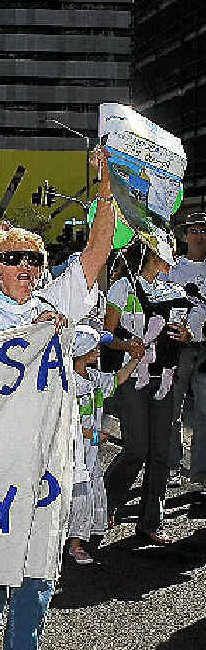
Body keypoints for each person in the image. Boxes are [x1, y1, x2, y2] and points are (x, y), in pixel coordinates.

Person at [0, 148, 116, 650]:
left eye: (34, 259)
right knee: (3, 554)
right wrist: (31, 337)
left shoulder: (58, 302)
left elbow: (97, 251)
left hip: (52, 454)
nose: (26, 266)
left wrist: (108, 190)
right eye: (13, 259)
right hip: (1, 457)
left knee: (41, 563)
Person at [102, 239, 199, 546]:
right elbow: (106, 335)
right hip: (133, 377)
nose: (175, 253)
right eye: (168, 248)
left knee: (161, 453)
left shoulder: (171, 289)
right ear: (153, 255)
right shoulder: (123, 288)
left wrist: (186, 335)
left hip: (165, 377)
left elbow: (182, 329)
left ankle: (150, 523)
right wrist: (129, 346)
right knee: (136, 449)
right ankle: (101, 507)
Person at [67, 325, 141, 565]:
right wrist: (95, 436)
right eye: (94, 347)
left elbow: (117, 379)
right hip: (75, 452)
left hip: (90, 454)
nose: (99, 350)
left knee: (88, 491)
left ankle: (78, 538)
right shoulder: (69, 384)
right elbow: (69, 423)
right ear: (82, 351)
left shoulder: (93, 377)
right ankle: (72, 545)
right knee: (77, 493)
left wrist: (134, 361)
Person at [165, 211, 206, 489]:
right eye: (194, 231)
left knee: (204, 414)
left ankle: (200, 473)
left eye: (204, 231)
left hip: (205, 350)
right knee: (172, 411)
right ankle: (170, 467)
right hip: (177, 349)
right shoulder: (173, 268)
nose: (199, 236)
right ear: (185, 236)